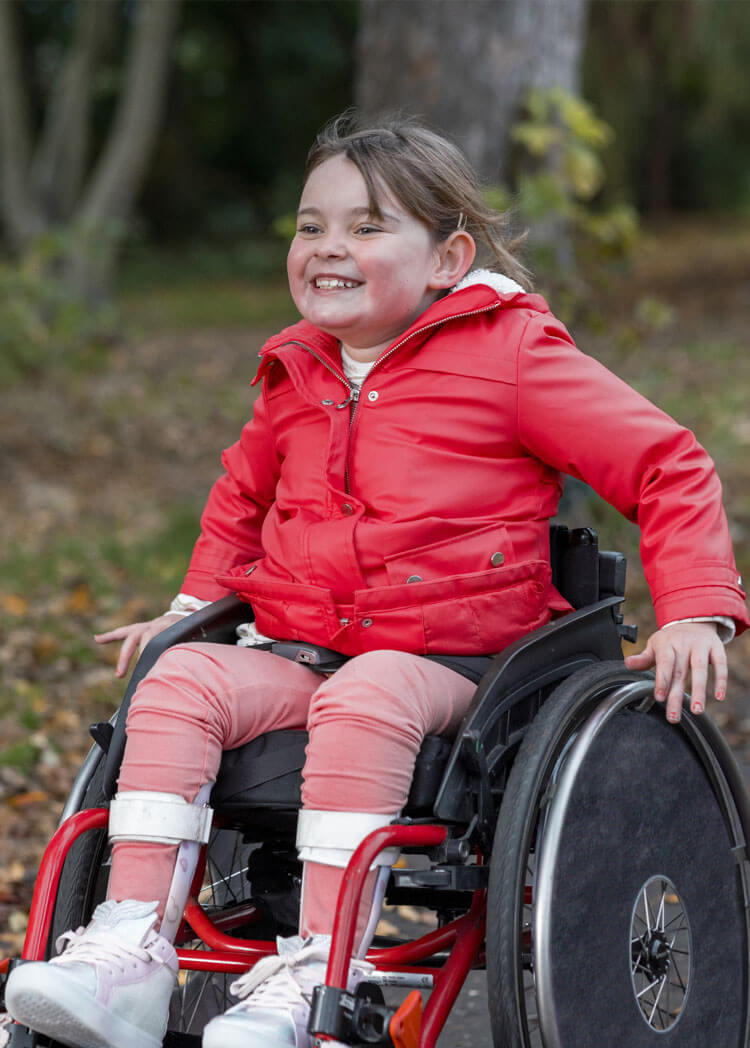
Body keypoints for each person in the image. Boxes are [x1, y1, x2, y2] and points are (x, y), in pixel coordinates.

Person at [5, 114, 748, 1048]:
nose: (328, 246)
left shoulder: (512, 355)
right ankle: (129, 953)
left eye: (365, 227)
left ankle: (321, 972)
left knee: (369, 693)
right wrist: (190, 611)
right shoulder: (296, 369)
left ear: (448, 258)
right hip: (306, 648)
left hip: (464, 668)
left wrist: (695, 610)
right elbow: (241, 497)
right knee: (179, 679)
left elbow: (666, 463)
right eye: (310, 225)